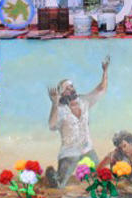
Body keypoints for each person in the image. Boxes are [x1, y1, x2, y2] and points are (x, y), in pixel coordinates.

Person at [47, 57, 109, 186]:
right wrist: (54, 104)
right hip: (69, 152)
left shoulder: (84, 101)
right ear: (63, 94)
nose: (72, 89)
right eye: (67, 88)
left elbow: (101, 89)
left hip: (87, 149)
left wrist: (105, 72)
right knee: (59, 184)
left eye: (72, 86)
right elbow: (52, 126)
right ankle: (52, 175)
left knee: (101, 178)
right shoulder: (60, 109)